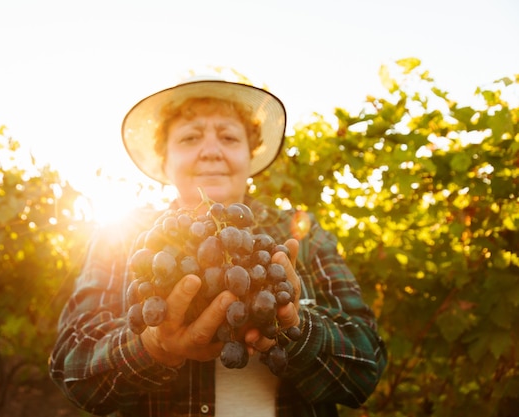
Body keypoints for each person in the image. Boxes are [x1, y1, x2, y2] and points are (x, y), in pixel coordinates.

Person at [49, 75, 387, 417]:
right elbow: (72, 365)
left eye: (228, 137)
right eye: (189, 138)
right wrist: (152, 347)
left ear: (250, 155)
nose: (210, 151)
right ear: (165, 161)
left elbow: (366, 366)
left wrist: (299, 328)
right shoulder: (122, 237)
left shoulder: (301, 232)